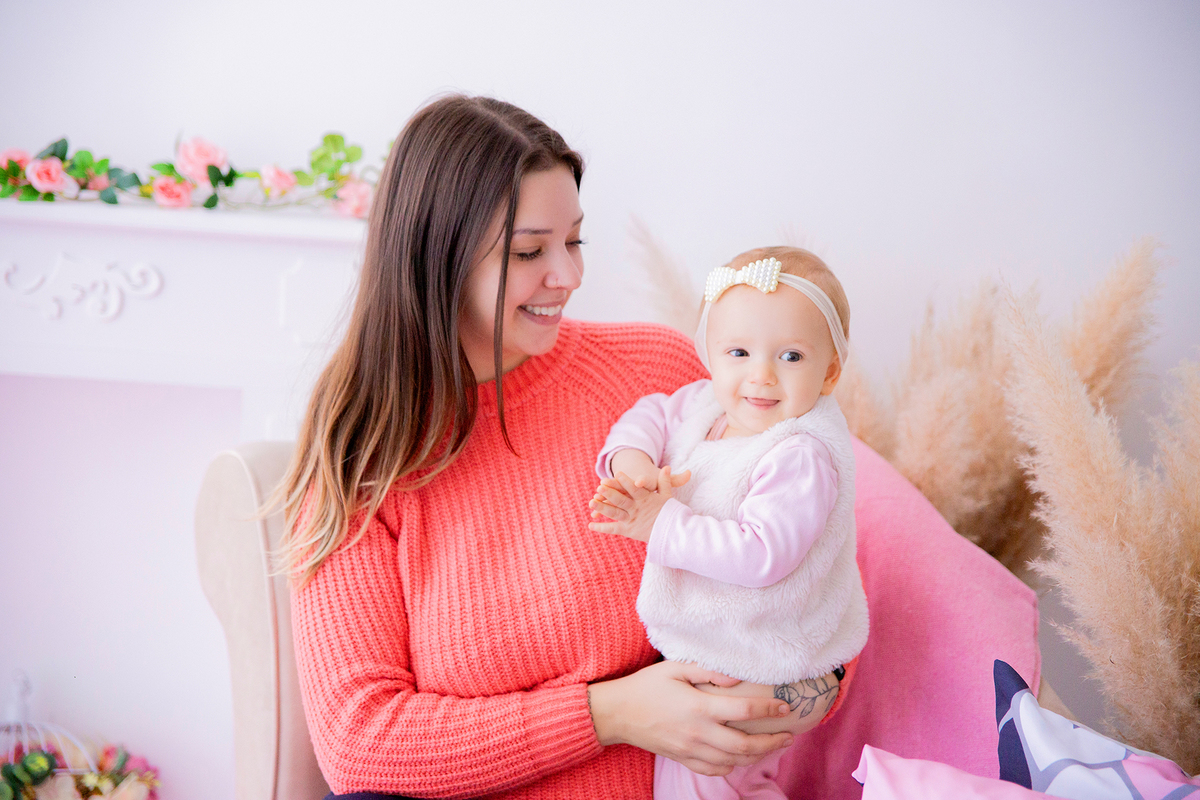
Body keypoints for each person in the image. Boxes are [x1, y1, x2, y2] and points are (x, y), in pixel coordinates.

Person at [276, 95, 811, 800]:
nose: (568, 276)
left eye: (575, 241)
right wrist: (612, 715)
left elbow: (818, 577)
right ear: (438, 261)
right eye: (530, 251)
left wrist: (797, 689)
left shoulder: (662, 380)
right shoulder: (359, 455)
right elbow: (360, 743)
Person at [588, 248, 869, 799]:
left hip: (773, 654)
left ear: (830, 371)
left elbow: (762, 553)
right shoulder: (706, 407)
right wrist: (633, 461)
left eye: (790, 356)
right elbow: (651, 412)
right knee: (730, 777)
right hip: (735, 648)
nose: (760, 375)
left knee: (699, 770)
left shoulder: (800, 455)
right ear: (710, 356)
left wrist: (661, 524)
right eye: (738, 352)